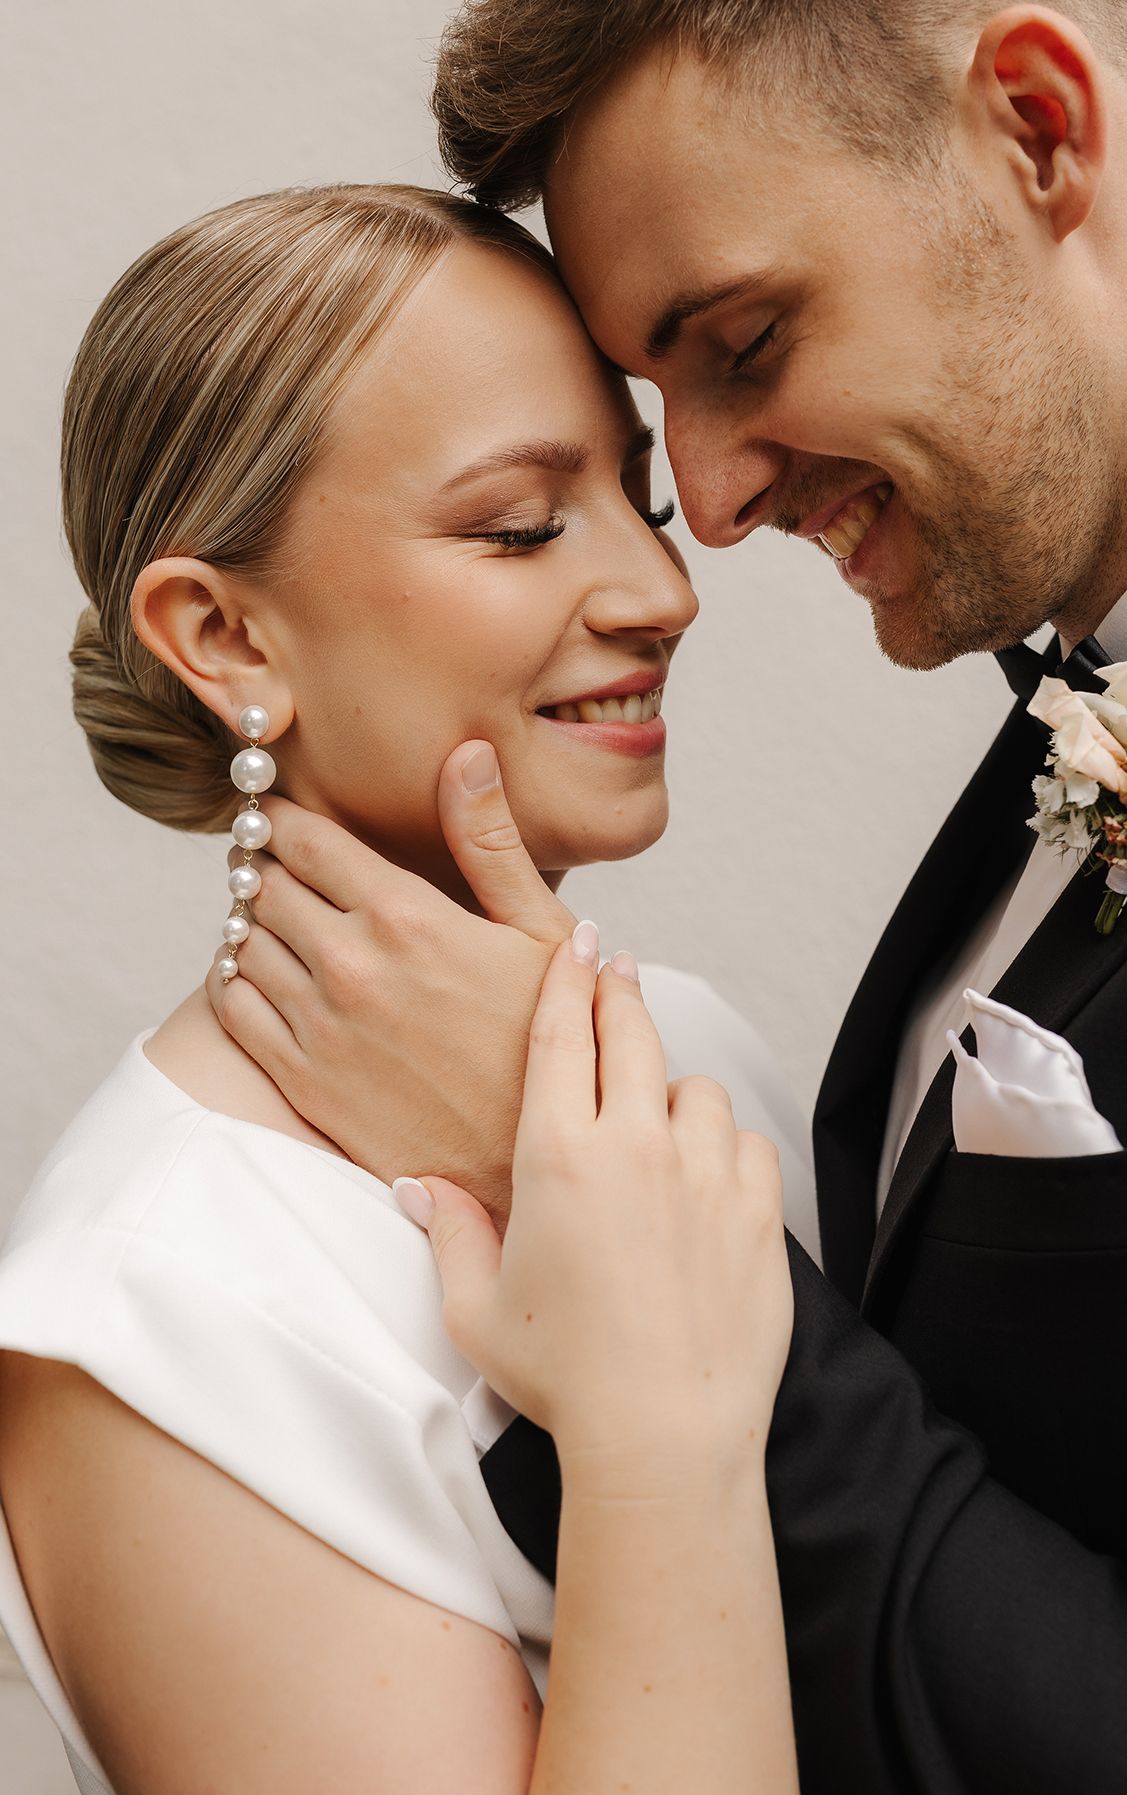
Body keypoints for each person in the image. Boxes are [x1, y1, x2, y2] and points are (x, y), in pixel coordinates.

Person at [198, 2, 1127, 1789]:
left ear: (1040, 129)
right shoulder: (1079, 707)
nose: (712, 514)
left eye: (743, 342)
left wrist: (591, 1211)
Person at [0, 181, 818, 1795]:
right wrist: (653, 1434)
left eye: (638, 498)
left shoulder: (694, 1052)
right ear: (225, 637)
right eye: (519, 525)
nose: (663, 591)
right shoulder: (161, 1323)